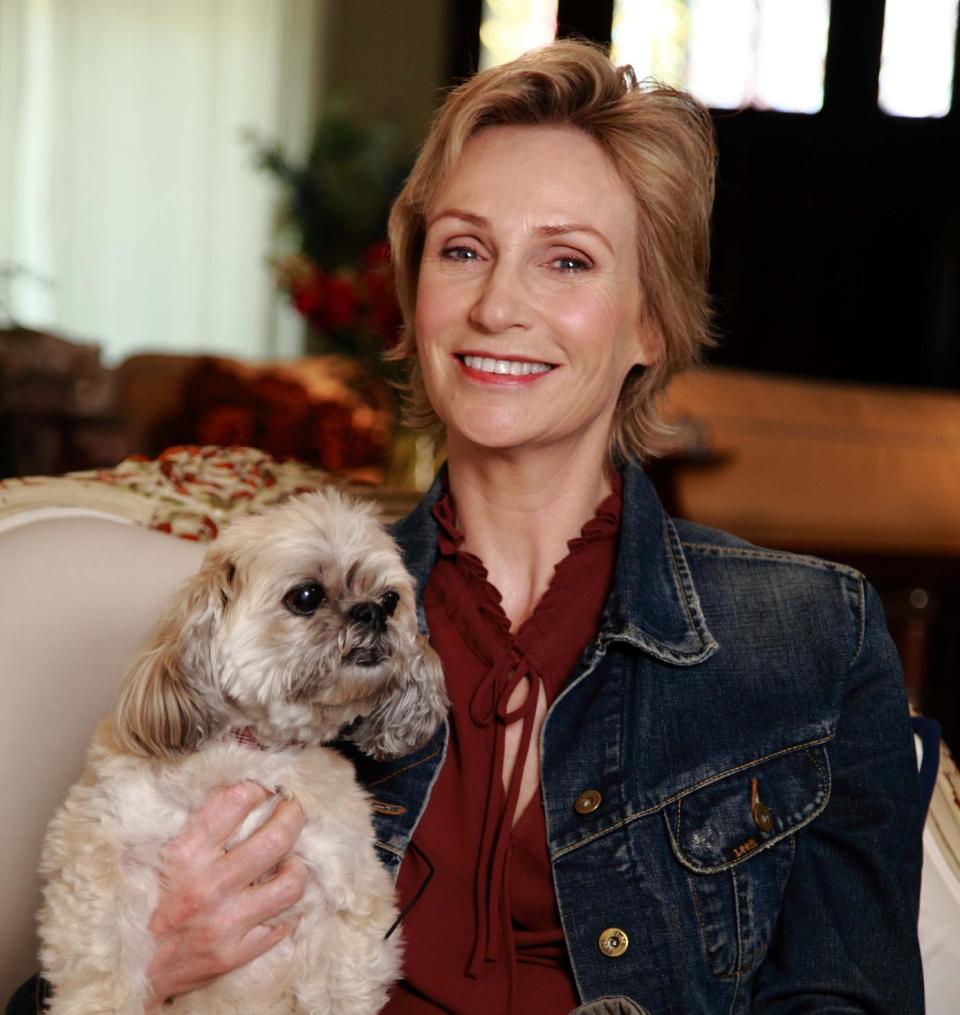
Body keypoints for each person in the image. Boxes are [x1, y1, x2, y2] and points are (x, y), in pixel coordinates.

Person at [9, 40, 923, 1015]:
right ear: (415, 295)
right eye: (464, 249)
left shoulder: (812, 636)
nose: (496, 304)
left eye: (566, 259)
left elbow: (850, 999)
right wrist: (157, 958)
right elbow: (72, 971)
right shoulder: (274, 636)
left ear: (650, 325)